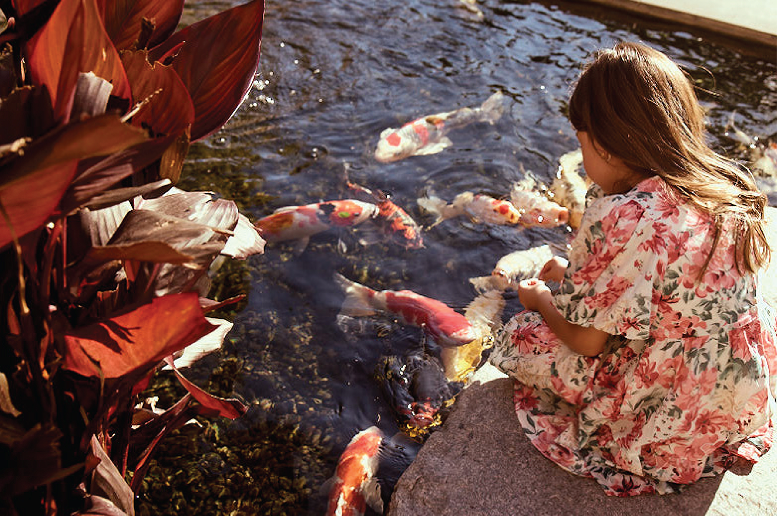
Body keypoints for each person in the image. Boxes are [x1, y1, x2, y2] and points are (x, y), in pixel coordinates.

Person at [489, 41, 777, 496]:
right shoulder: (725, 185)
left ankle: (630, 431)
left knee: (524, 336)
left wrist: (541, 300)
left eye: (581, 144)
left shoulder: (625, 217)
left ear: (604, 145)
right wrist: (573, 273)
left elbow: (586, 342)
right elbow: (661, 282)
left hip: (669, 406)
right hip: (731, 389)